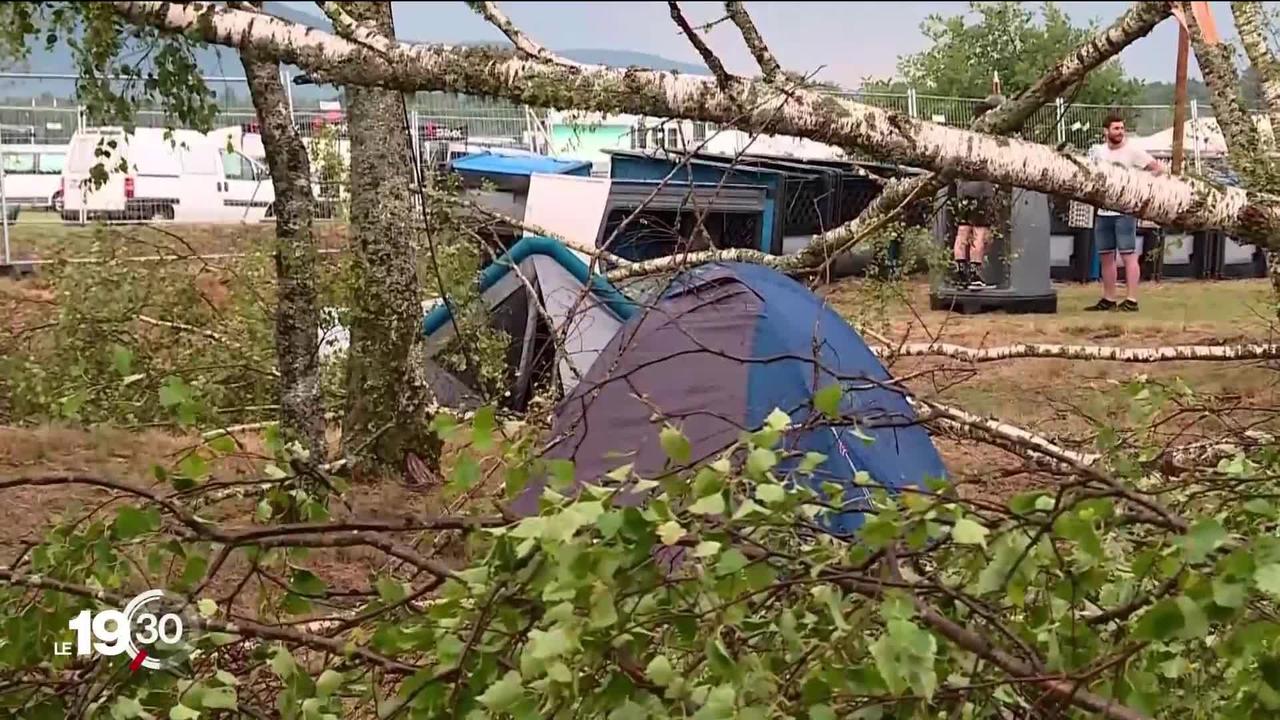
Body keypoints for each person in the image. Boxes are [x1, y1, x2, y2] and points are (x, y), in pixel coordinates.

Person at [1085, 112, 1163, 312]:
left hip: (1125, 211)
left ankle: (1131, 299)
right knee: (1106, 255)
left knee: (1128, 254)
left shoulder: (1133, 151)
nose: (1120, 132)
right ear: (1106, 131)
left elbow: (1157, 168)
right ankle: (1109, 298)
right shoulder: (1098, 152)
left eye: (1122, 128)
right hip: (1103, 212)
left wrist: (1140, 189)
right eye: (1116, 128)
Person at [949, 95, 1004, 290]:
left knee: (963, 230)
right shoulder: (989, 138)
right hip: (981, 188)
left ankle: (959, 272)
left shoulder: (966, 136)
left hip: (963, 189)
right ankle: (975, 275)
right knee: (980, 232)